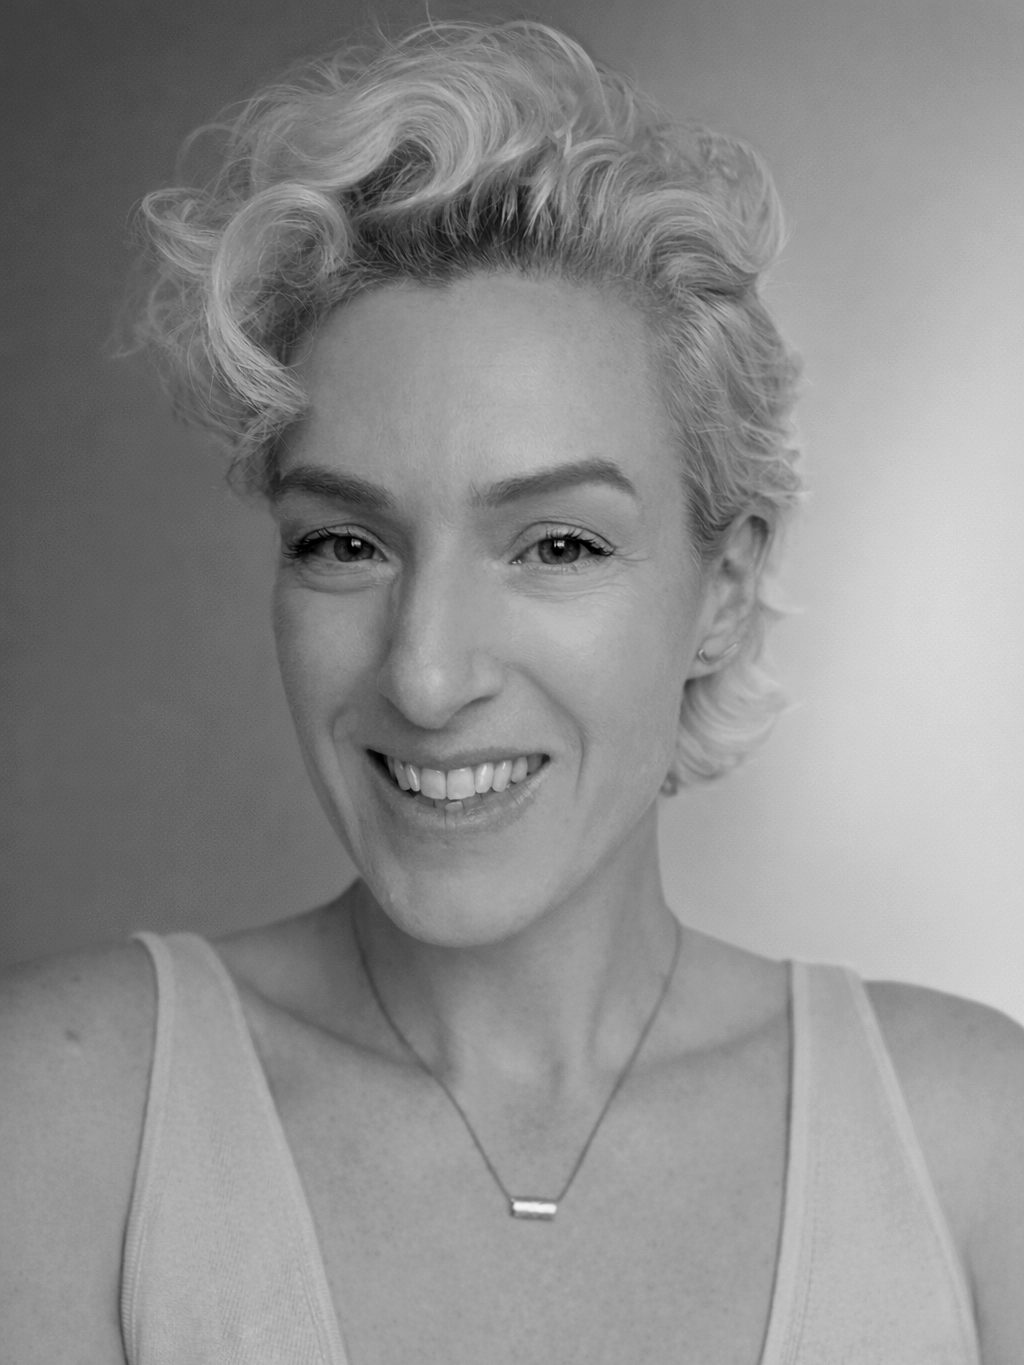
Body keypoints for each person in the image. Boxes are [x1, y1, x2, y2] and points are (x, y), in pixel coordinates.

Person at [1, 20, 1021, 1364]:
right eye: (345, 543)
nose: (426, 676)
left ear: (723, 589)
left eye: (558, 546)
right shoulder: (59, 1120)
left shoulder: (975, 1148)